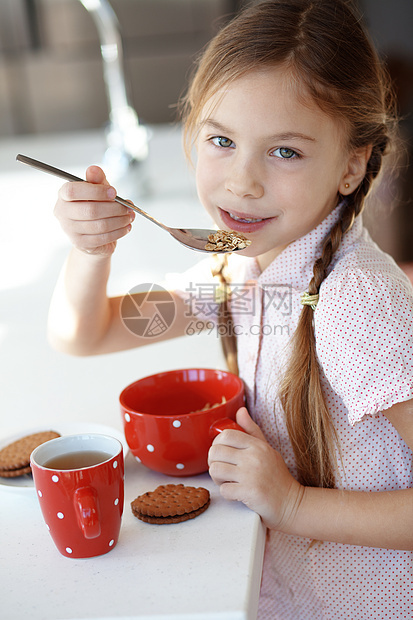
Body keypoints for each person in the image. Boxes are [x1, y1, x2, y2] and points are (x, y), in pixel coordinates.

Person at [48, 1, 413, 617]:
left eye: (286, 152)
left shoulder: (355, 304)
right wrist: (91, 251)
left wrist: (293, 504)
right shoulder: (240, 267)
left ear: (352, 164)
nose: (241, 182)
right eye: (222, 140)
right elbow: (88, 332)